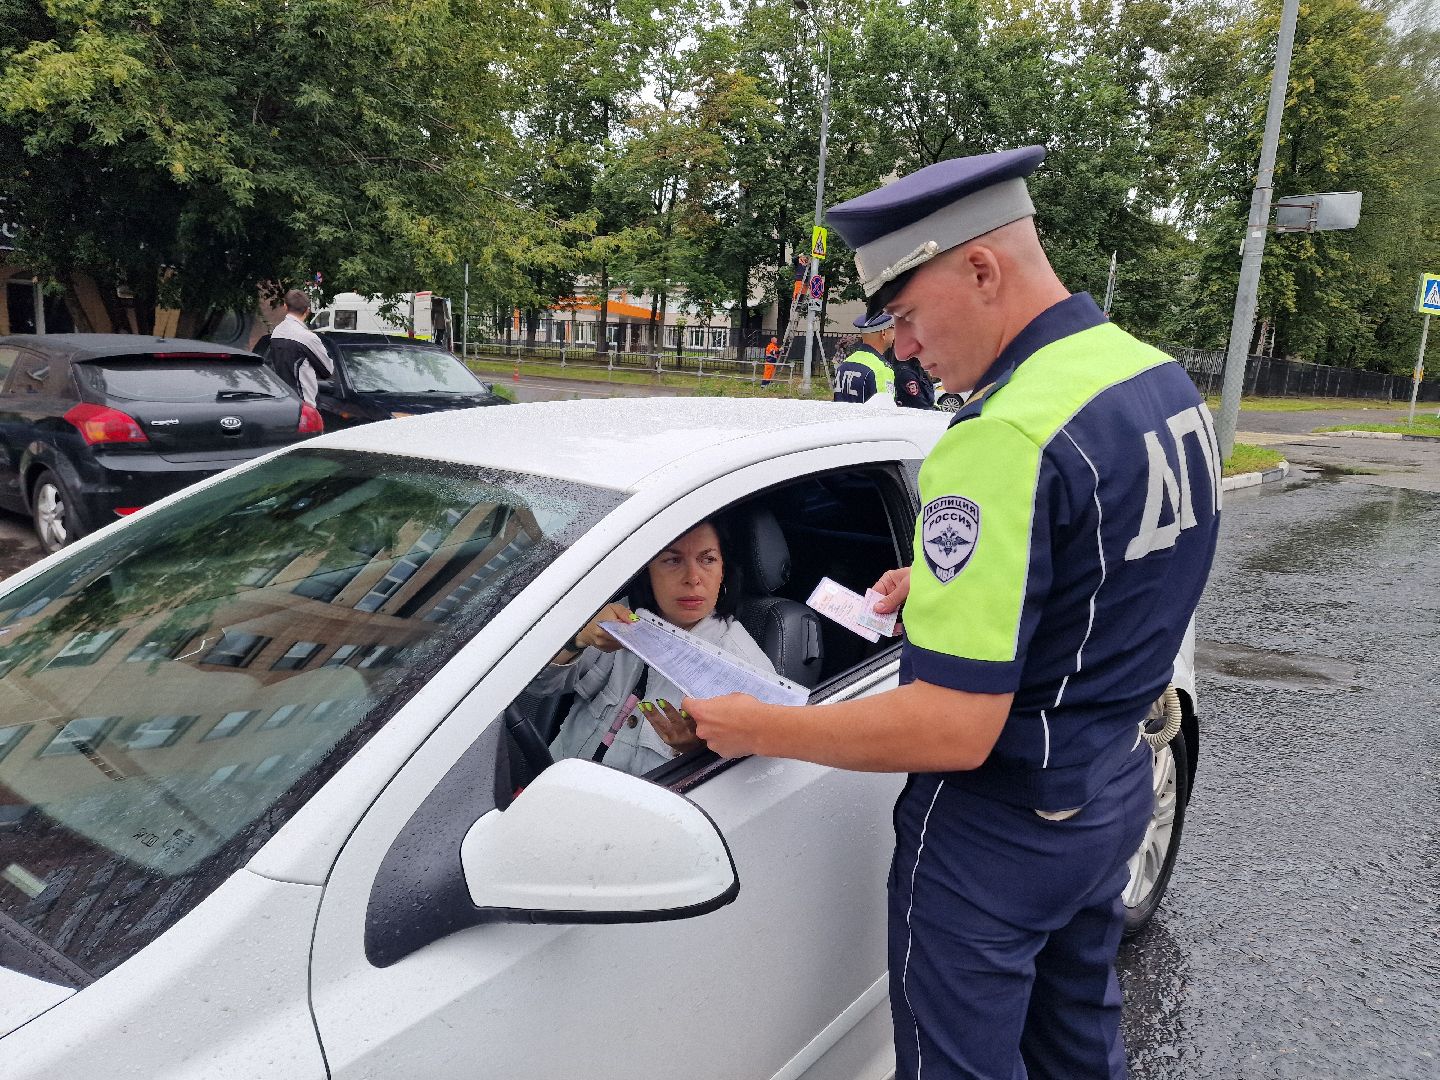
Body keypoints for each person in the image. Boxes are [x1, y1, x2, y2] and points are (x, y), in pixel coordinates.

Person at [684, 146, 1221, 1080]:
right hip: (1109, 789)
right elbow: (1106, 572)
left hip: (1002, 834)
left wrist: (760, 725)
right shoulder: (1153, 379)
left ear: (981, 267)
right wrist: (939, 584)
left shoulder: (1001, 436)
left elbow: (951, 727)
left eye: (901, 312)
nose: (897, 346)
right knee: (1078, 1044)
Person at [537, 517, 776, 778]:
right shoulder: (618, 618)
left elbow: (759, 776)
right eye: (672, 560)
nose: (693, 578)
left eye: (707, 559)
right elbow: (540, 686)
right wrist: (578, 639)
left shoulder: (746, 669)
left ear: (724, 571)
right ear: (647, 571)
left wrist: (698, 753)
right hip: (554, 785)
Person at [267, 289, 333, 408]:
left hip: (280, 402)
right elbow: (327, 371)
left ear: (285, 307)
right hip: (303, 406)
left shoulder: (276, 332)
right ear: (307, 310)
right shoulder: (308, 338)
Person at [833, 312, 897, 403]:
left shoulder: (846, 363)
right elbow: (885, 410)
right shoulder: (881, 369)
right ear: (883, 333)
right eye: (893, 328)